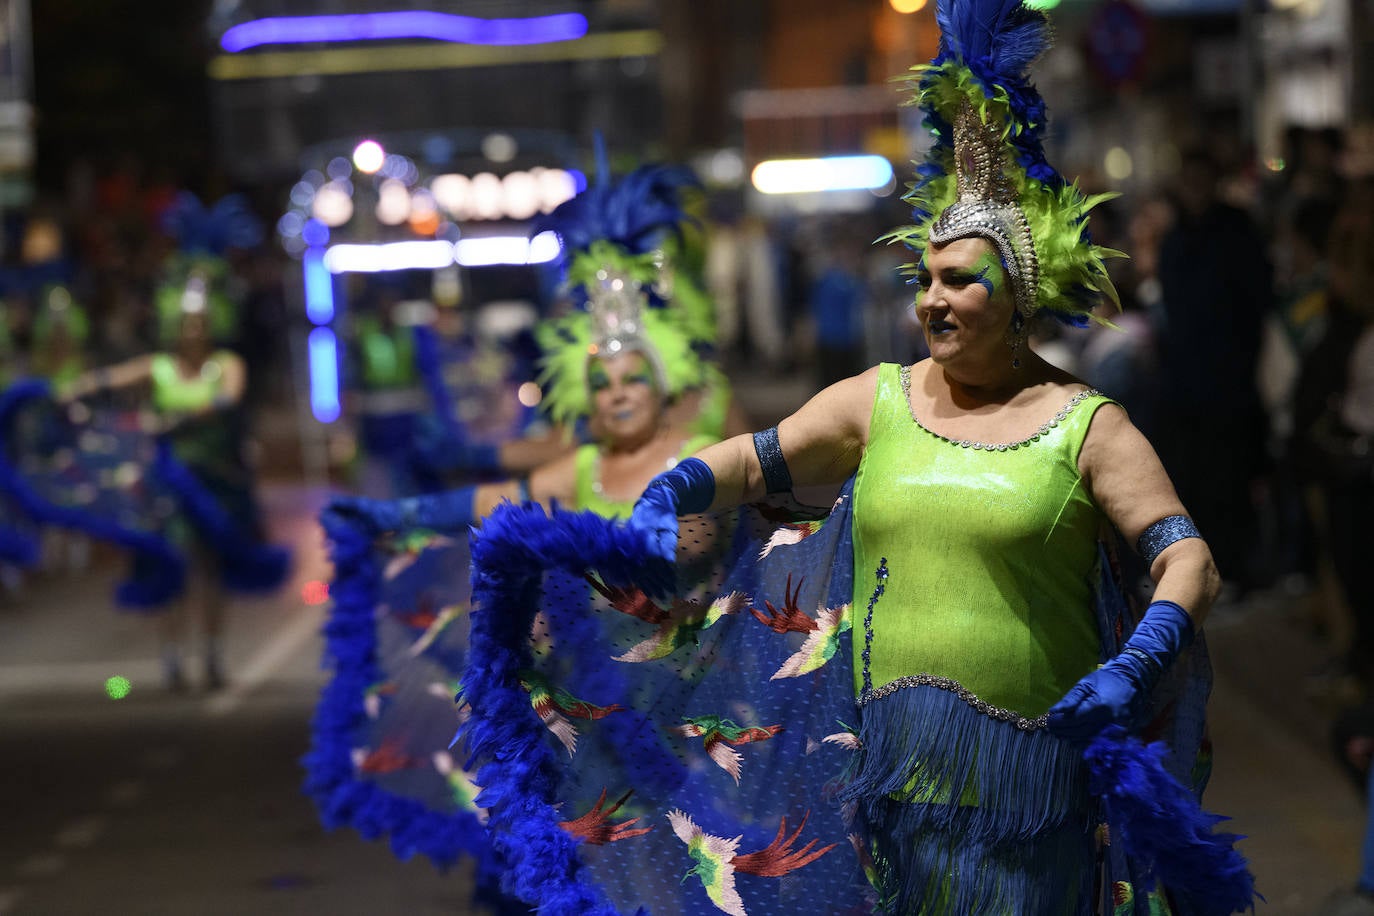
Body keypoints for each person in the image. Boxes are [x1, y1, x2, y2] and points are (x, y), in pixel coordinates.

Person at [457, 0, 1253, 913]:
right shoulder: (877, 400)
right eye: (924, 279)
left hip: (1037, 797)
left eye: (962, 279)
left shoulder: (1086, 423)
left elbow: (1186, 557)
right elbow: (757, 463)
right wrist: (673, 490)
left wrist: (1137, 661)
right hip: (882, 785)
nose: (933, 299)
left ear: (1021, 292)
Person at [305, 160, 726, 909]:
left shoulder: (697, 464)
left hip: (679, 699)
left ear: (663, 386)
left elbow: (697, 553)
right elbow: (491, 501)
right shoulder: (581, 466)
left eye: (632, 378)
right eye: (601, 384)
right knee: (580, 864)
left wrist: (616, 555)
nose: (618, 391)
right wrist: (384, 518)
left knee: (676, 875)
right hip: (579, 700)